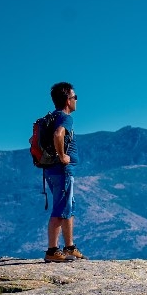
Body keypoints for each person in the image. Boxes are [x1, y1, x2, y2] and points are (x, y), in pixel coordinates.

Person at [43, 82, 86, 262]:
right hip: (62, 171)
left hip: (50, 170)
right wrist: (62, 156)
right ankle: (52, 251)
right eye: (75, 97)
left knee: (68, 207)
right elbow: (58, 135)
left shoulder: (51, 117)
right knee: (60, 209)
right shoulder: (65, 118)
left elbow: (32, 139)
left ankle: (69, 247)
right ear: (68, 101)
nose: (76, 100)